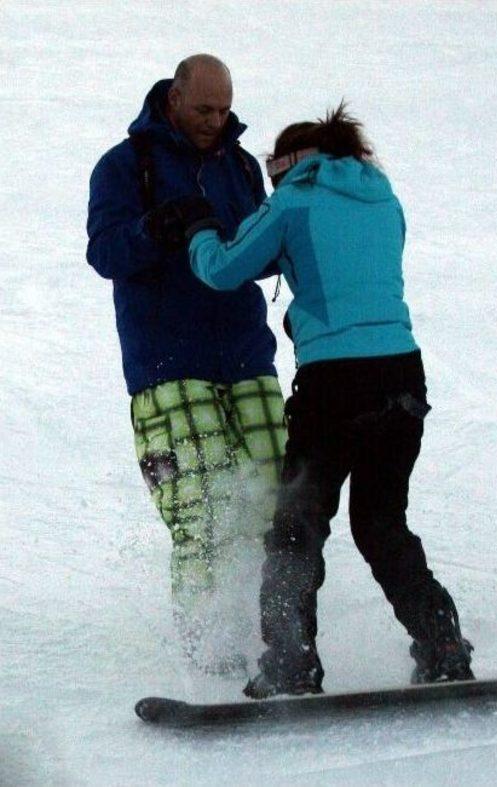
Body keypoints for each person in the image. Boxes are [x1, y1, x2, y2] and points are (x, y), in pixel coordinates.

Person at [162, 104, 475, 697]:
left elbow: (224, 270)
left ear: (291, 166)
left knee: (295, 529)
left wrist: (200, 227)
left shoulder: (293, 201)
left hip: (335, 387)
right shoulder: (384, 199)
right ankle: (443, 648)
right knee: (383, 524)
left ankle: (289, 665)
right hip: (404, 378)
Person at [85, 55, 287, 675]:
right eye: (204, 109)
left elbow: (261, 255)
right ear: (174, 98)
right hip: (167, 362)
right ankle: (210, 652)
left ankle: (282, 641)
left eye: (225, 110)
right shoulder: (126, 166)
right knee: (202, 508)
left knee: (279, 504)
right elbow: (104, 252)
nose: (216, 121)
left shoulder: (242, 166)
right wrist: (159, 228)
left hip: (247, 355)